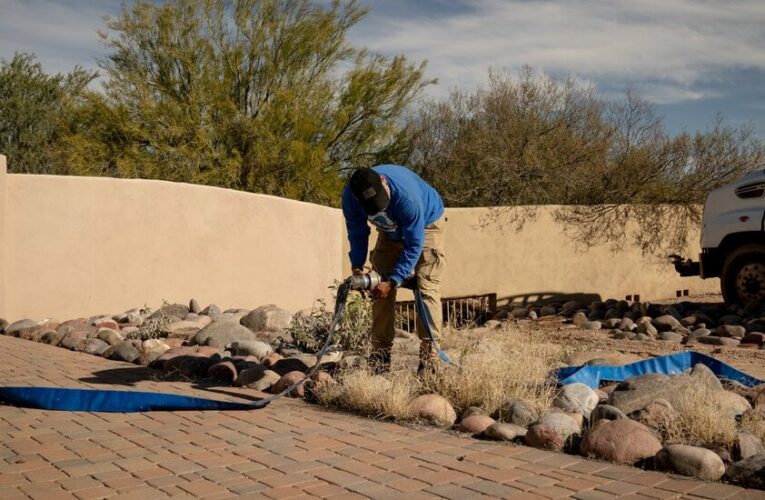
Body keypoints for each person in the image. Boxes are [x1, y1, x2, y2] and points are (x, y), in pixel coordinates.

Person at [341, 164, 446, 373]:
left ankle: (430, 358)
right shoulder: (350, 198)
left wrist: (394, 280)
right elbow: (357, 233)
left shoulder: (408, 198)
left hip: (426, 224)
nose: (380, 208)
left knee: (426, 288)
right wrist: (357, 267)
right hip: (389, 232)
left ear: (383, 181)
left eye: (382, 201)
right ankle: (380, 356)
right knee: (377, 288)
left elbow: (415, 245)